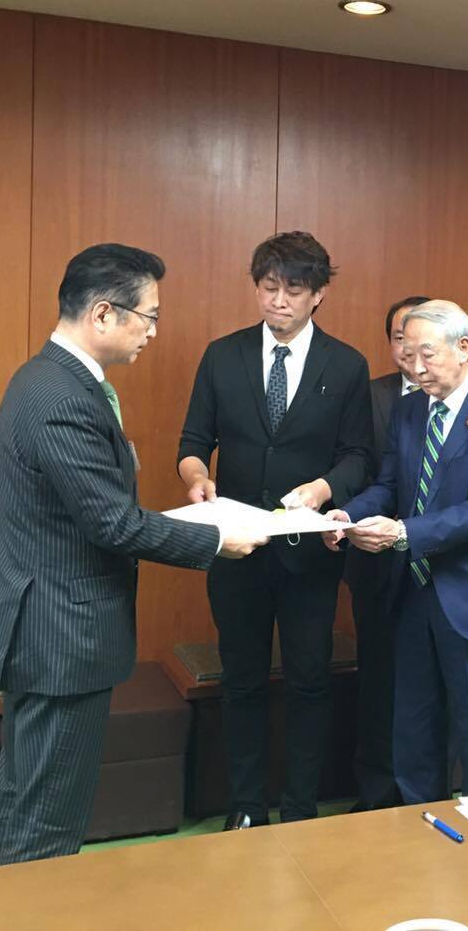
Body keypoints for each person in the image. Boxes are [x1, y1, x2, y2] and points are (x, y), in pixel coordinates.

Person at [0, 243, 264, 866]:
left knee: (28, 797)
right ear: (103, 313)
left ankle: (12, 904)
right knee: (46, 816)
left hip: (45, 625)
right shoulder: (62, 397)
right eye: (148, 317)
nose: (153, 332)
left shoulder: (49, 379)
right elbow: (112, 523)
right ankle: (27, 909)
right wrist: (216, 538)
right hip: (58, 634)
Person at [177, 231, 375, 829]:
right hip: (236, 550)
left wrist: (323, 488)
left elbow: (358, 455)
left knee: (310, 681)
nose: (278, 301)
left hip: (308, 555)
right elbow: (194, 442)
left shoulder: (346, 364)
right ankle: (245, 808)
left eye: (293, 289)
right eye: (268, 287)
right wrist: (195, 477)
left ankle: (299, 809)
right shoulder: (223, 355)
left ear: (318, 294)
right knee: (241, 681)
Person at [324, 301, 468, 801]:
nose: (415, 367)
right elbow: (389, 485)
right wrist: (347, 514)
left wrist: (402, 534)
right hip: (412, 593)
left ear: (463, 348)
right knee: (413, 733)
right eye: (407, 353)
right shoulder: (409, 409)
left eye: (427, 355)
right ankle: (420, 829)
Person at [344, 294, 429, 812]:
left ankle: (424, 787)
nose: (409, 350)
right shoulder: (368, 394)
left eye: (419, 339)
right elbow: (356, 465)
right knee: (376, 679)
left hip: (434, 561)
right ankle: (375, 791)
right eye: (400, 338)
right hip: (372, 561)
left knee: (427, 683)